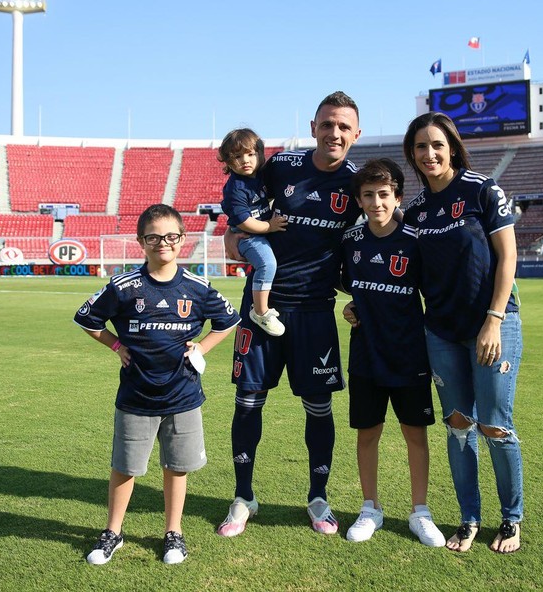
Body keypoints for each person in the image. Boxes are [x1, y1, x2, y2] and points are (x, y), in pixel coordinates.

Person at [217, 91, 363, 537]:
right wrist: (233, 237)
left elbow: (374, 236)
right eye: (327, 124)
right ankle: (243, 497)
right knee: (247, 402)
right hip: (263, 307)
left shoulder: (358, 184)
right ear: (314, 126)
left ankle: (318, 498)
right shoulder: (281, 166)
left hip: (317, 311)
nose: (334, 133)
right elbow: (239, 207)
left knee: (318, 407)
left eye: (343, 126)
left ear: (355, 134)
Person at [74, 203, 240, 565]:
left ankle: (173, 534)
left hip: (183, 395)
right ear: (141, 242)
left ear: (182, 240)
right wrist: (116, 345)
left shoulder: (198, 287)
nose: (162, 243)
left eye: (170, 236)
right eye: (153, 237)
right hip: (136, 395)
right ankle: (113, 533)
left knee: (175, 467)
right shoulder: (123, 287)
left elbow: (228, 320)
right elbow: (86, 318)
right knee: (125, 466)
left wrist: (203, 346)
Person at [401, 112, 524, 554]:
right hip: (442, 332)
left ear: (452, 146)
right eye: (420, 147)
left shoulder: (481, 189)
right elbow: (406, 274)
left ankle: (511, 519)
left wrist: (493, 319)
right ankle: (469, 518)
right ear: (411, 155)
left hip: (493, 324)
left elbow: (507, 258)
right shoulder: (413, 211)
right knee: (457, 426)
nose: (429, 154)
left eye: (436, 144)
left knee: (494, 424)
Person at [339, 158, 445, 547]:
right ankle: (370, 508)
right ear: (359, 199)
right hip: (366, 353)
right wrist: (350, 308)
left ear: (397, 196)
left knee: (414, 433)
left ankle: (421, 511)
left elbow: (432, 293)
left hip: (409, 354)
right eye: (368, 195)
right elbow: (351, 289)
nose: (377, 202)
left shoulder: (415, 240)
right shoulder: (350, 242)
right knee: (368, 433)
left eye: (384, 194)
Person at [218, 128, 289, 337]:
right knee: (267, 264)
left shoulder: (259, 176)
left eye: (250, 154)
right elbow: (244, 221)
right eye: (237, 157)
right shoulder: (236, 187)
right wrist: (270, 226)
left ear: (259, 154)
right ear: (229, 163)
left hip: (258, 232)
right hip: (249, 235)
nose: (245, 160)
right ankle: (260, 311)